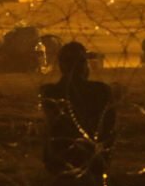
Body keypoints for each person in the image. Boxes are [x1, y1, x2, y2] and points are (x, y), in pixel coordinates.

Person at [39, 41, 116, 176]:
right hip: (93, 159)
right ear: (84, 66)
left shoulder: (48, 91)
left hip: (57, 160)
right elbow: (110, 127)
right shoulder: (101, 91)